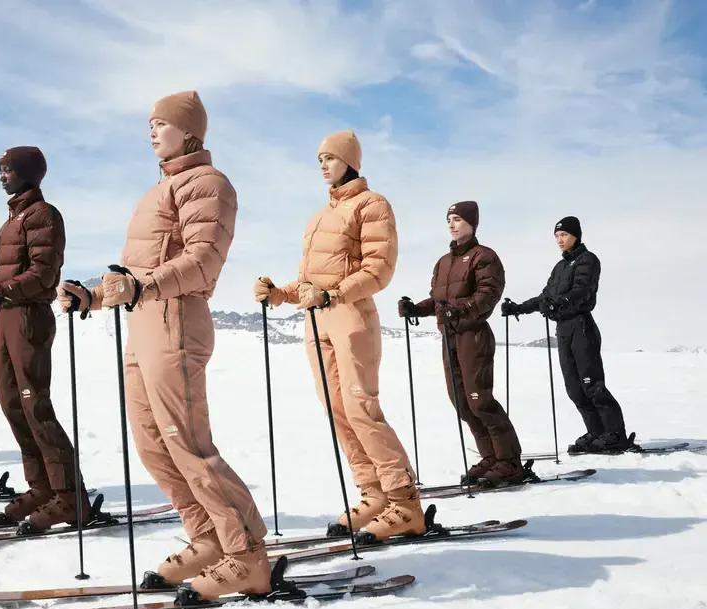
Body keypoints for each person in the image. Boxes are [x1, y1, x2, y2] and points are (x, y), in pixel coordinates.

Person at [58, 91, 269, 601]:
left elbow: (203, 261)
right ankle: (208, 538)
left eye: (161, 124)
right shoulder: (160, 190)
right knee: (154, 444)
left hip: (177, 322)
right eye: (149, 124)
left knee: (189, 445)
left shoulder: (207, 184)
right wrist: (91, 294)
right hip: (144, 323)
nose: (152, 131)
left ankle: (246, 556)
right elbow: (133, 273)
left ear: (190, 130)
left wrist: (143, 287)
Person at [254, 129, 426, 540]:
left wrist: (331, 294)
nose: (324, 165)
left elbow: (378, 270)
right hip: (318, 322)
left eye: (330, 158)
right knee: (337, 409)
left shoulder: (372, 205)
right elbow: (308, 281)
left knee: (361, 407)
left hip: (352, 316)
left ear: (350, 160)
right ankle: (374, 494)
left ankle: (405, 502)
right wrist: (280, 293)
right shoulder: (319, 217)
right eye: (319, 159)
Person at [0, 146, 90, 534]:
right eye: (0, 170)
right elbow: (6, 279)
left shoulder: (43, 215)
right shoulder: (12, 220)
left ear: (27, 172)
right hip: (6, 317)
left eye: (7, 170)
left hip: (29, 317)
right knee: (12, 405)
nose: (2, 176)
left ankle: (71, 497)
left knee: (34, 405)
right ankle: (42, 488)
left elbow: (44, 274)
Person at [399, 202, 525, 485]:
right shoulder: (444, 262)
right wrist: (416, 309)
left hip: (473, 335)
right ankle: (491, 457)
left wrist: (461, 310)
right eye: (449, 220)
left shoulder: (484, 256)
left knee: (480, 401)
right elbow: (438, 300)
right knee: (462, 404)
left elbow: (488, 294)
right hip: (449, 337)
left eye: (457, 219)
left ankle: (509, 462)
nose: (452, 225)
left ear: (472, 223)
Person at [502, 216, 631, 454]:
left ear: (576, 236)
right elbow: (544, 297)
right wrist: (518, 308)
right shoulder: (559, 267)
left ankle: (615, 434)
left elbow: (583, 290)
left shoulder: (588, 260)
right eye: (557, 236)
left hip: (581, 326)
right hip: (563, 330)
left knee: (591, 384)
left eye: (564, 235)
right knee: (574, 388)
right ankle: (596, 432)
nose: (560, 240)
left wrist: (560, 303)